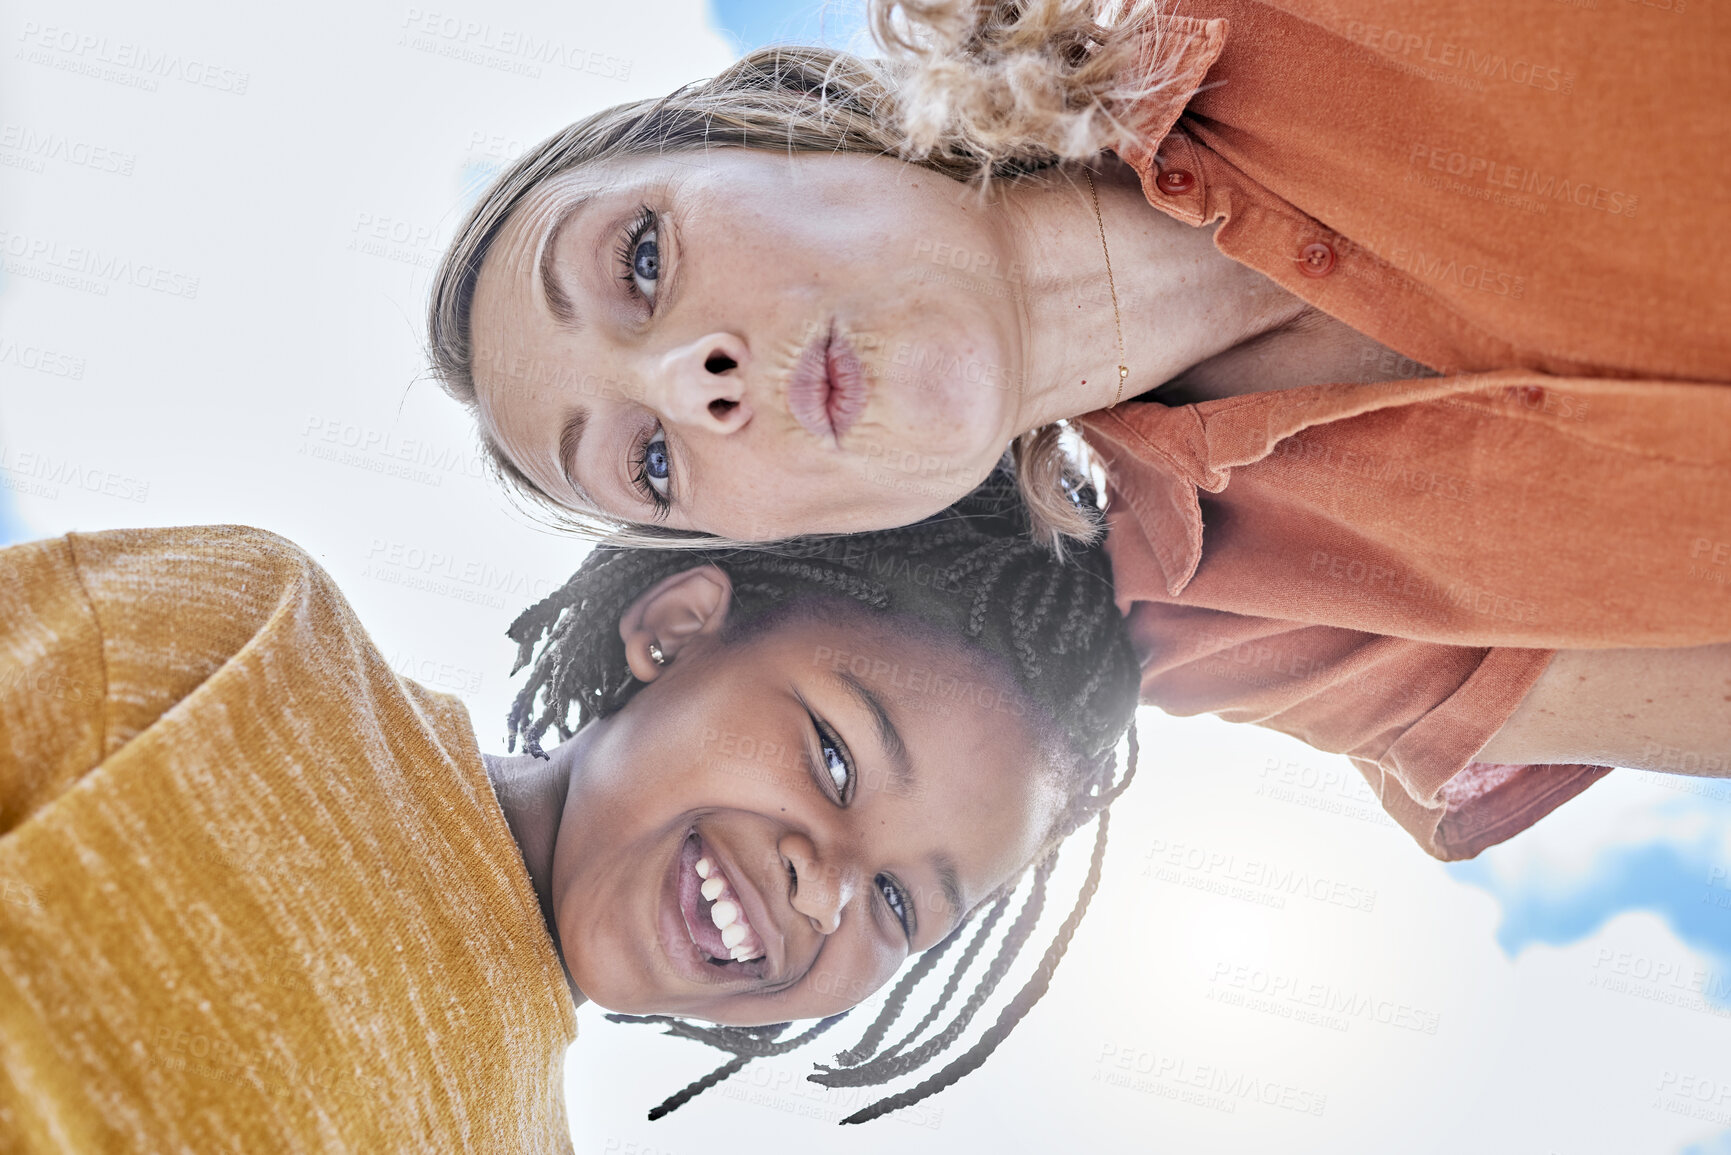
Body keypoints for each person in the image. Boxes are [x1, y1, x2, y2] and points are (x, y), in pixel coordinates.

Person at [426, 0, 1731, 858]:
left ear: (779, 128)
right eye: (652, 464)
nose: (695, 380)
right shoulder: (1224, 627)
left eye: (640, 259)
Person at [0, 469, 1140, 1149]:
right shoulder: (257, 644)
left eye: (898, 899)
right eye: (836, 761)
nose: (827, 884)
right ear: (678, 630)